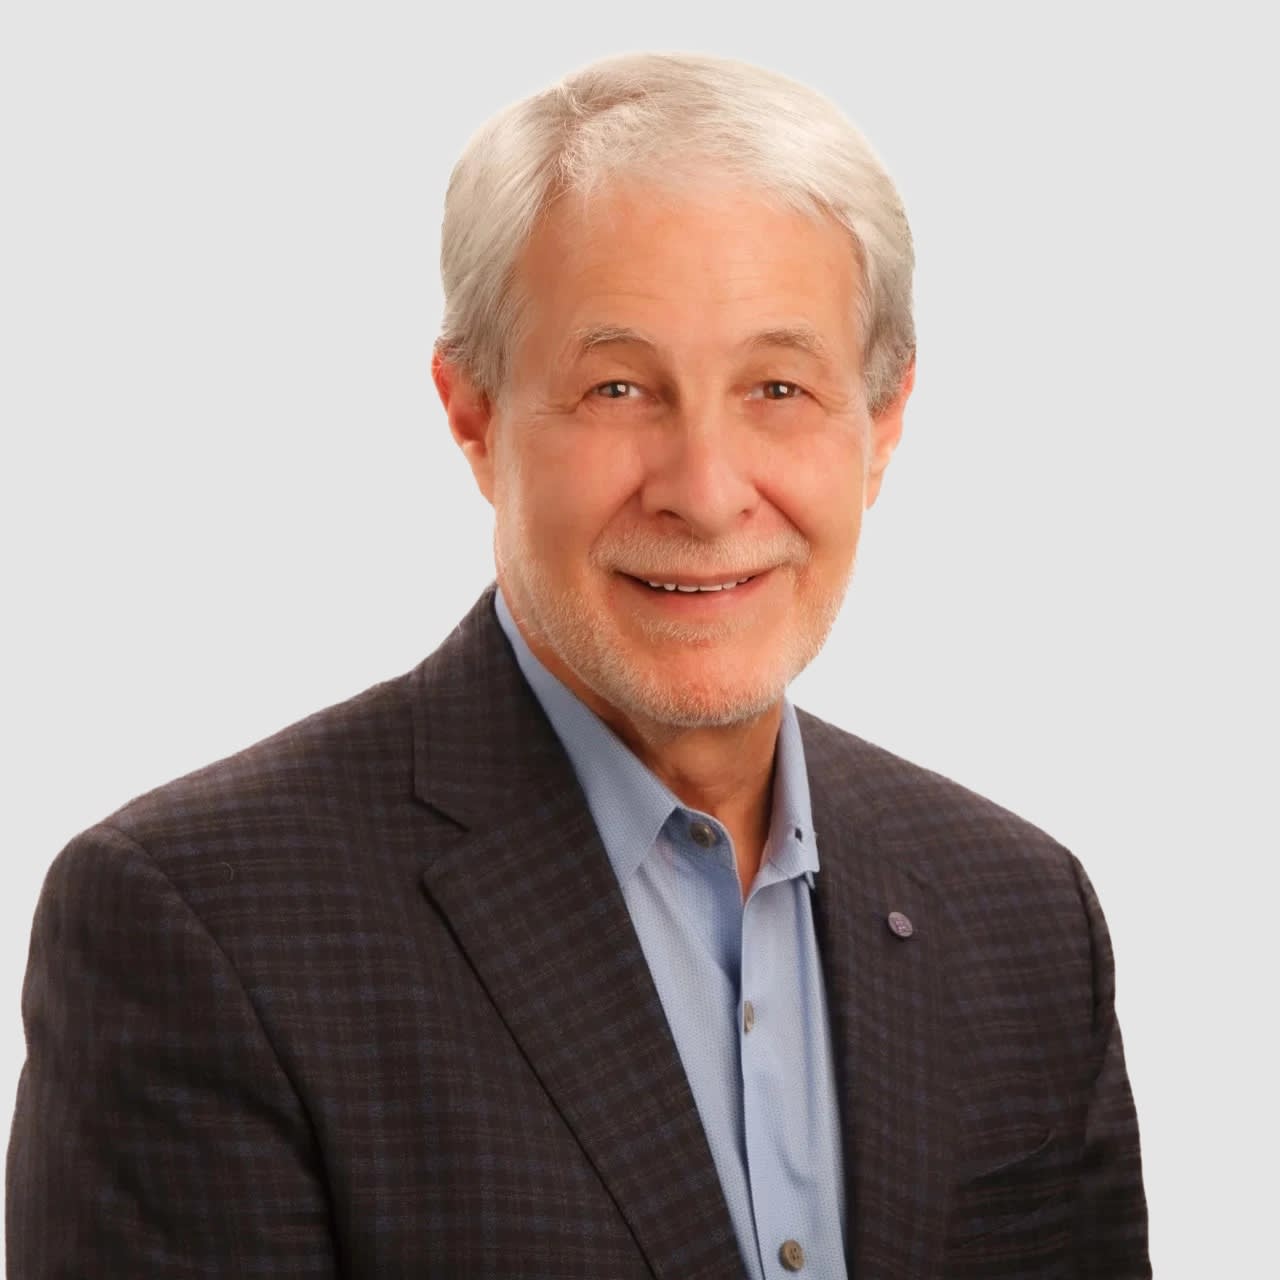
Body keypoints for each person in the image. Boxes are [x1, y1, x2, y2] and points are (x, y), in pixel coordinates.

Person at [6, 50, 1149, 1279]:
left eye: (777, 386)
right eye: (617, 387)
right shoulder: (202, 926)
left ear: (882, 423)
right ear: (473, 413)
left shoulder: (1023, 916)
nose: (704, 491)